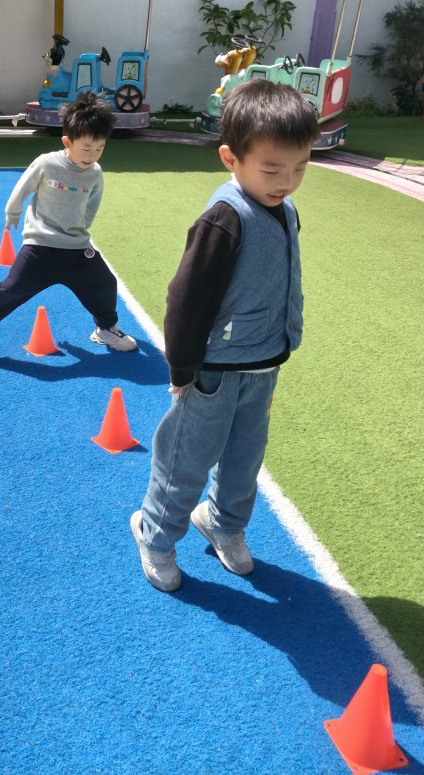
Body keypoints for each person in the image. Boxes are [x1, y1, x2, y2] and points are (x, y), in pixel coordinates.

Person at [131, 79, 319, 592]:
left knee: (243, 460)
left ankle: (223, 523)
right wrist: (182, 369)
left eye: (300, 167)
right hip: (214, 372)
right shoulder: (224, 219)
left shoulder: (286, 209)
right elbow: (185, 300)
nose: (287, 181)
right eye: (272, 169)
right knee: (185, 461)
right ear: (230, 158)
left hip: (263, 365)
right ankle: (155, 534)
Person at [0, 91, 138, 364]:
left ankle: (106, 329)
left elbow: (92, 204)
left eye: (99, 148)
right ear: (67, 141)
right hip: (40, 246)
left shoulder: (95, 172)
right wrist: (13, 211)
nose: (92, 155)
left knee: (105, 283)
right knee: (12, 288)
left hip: (76, 248)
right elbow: (23, 187)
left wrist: (81, 228)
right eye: (86, 148)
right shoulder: (47, 163)